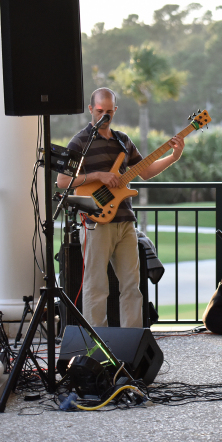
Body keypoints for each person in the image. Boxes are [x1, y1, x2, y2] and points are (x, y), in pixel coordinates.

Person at [56, 88, 185, 328]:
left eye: (109, 111)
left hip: (125, 221)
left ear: (115, 110)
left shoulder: (123, 140)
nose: (104, 116)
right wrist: (98, 176)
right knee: (96, 286)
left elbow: (145, 171)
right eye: (100, 111)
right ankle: (98, 343)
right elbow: (63, 181)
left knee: (132, 286)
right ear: (91, 109)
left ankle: (132, 340)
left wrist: (173, 157)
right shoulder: (80, 141)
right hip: (95, 223)